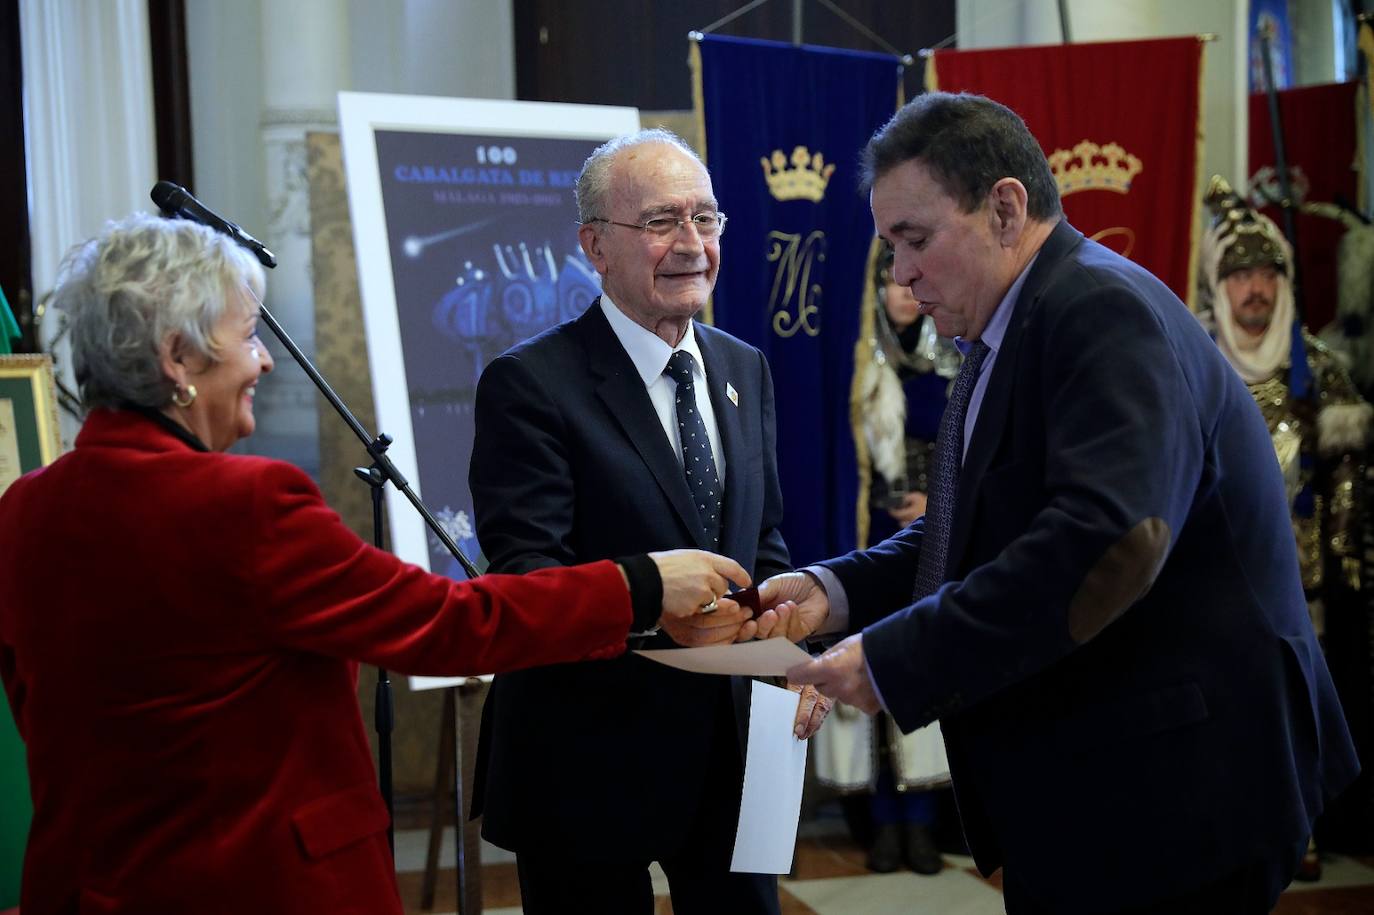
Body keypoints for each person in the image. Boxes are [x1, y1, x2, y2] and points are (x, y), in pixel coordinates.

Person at [0, 213, 746, 915]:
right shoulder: (245, 504)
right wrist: (641, 584)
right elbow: (448, 623)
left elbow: (35, 708)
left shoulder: (23, 510)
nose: (264, 359)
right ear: (177, 358)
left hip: (91, 883)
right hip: (254, 881)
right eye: (248, 336)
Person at [753, 92, 1360, 914]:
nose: (900, 274)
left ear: (1006, 208)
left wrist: (894, 658)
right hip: (1117, 776)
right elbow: (977, 524)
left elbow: (1106, 541)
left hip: (1178, 788)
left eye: (916, 239)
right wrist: (834, 591)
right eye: (892, 247)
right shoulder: (1023, 318)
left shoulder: (1099, 310)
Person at [467, 128, 826, 915]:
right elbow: (527, 575)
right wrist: (655, 599)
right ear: (595, 246)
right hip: (588, 754)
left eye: (706, 218)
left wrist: (793, 648)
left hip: (735, 748)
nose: (692, 243)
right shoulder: (529, 384)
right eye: (662, 221)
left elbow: (762, 540)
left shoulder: (744, 366)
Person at [1199, 177, 1373, 874]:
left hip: (1304, 578)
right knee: (1225, 701)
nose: (1255, 288)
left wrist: (1342, 549)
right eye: (1241, 275)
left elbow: (1348, 470)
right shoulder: (1194, 360)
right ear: (1219, 283)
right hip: (1217, 573)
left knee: (1298, 703)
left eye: (1266, 274)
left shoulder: (1320, 369)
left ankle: (1299, 826)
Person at [817, 248, 959, 874]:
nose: (902, 293)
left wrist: (935, 502)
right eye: (889, 283)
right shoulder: (857, 368)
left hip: (934, 537)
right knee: (866, 674)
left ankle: (921, 821)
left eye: (909, 281)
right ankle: (881, 822)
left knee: (922, 669)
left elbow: (962, 449)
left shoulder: (952, 362)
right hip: (868, 537)